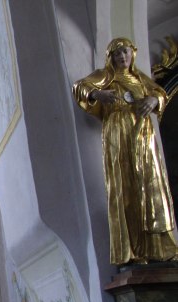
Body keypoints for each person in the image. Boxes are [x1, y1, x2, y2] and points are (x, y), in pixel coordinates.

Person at [73, 37, 177, 265]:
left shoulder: (140, 78)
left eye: (125, 52)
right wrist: (98, 94)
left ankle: (158, 248)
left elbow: (161, 93)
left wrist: (152, 100)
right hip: (118, 133)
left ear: (133, 54)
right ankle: (133, 250)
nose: (122, 57)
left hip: (143, 135)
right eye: (117, 53)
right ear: (111, 57)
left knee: (151, 184)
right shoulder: (106, 76)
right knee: (126, 185)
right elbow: (80, 87)